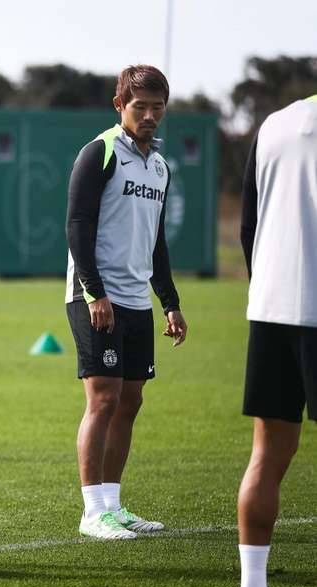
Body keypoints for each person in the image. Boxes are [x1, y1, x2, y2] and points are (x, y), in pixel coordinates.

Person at [64, 65, 188, 540]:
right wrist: (95, 291)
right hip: (96, 297)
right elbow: (77, 225)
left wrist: (170, 303)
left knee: (130, 400)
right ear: (120, 106)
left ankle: (114, 505)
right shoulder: (99, 153)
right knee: (104, 398)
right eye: (141, 106)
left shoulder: (159, 166)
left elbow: (156, 242)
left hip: (137, 301)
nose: (151, 115)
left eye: (159, 107)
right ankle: (92, 510)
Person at [236, 93, 317, 587]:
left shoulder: (274, 124)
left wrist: (266, 285)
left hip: (271, 308)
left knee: (267, 455)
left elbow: (249, 226)